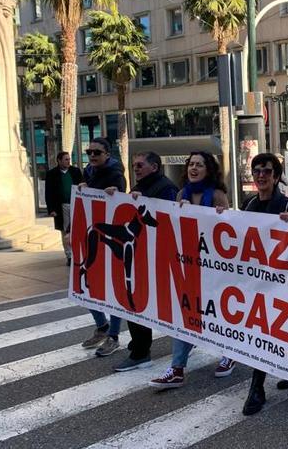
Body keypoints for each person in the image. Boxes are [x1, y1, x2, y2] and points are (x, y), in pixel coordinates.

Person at [148, 152, 238, 384]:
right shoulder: (180, 194)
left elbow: (225, 235)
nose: (194, 168)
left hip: (214, 270)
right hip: (188, 268)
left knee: (219, 315)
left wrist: (220, 217)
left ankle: (230, 354)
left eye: (199, 165)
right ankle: (176, 368)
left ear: (208, 170)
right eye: (191, 164)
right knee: (185, 315)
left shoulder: (218, 195)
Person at [239, 152, 288, 416]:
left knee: (286, 331)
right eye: (257, 171)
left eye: (266, 171)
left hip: (283, 283)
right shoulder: (249, 205)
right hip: (257, 282)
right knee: (259, 334)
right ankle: (257, 387)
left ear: (276, 176)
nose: (261, 176)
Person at [107, 151, 179, 372]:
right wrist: (113, 196)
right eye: (134, 165)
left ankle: (141, 351)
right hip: (140, 255)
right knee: (134, 303)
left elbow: (164, 220)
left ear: (154, 167)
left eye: (140, 165)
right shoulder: (141, 187)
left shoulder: (165, 188)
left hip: (153, 257)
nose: (135, 168)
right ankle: (139, 347)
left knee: (143, 303)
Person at [77, 137, 126, 356]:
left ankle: (113, 336)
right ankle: (102, 326)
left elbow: (121, 201)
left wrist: (113, 193)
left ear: (107, 154)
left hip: (111, 239)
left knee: (112, 291)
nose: (92, 156)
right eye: (89, 152)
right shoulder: (88, 172)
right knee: (85, 284)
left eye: (97, 152)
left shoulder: (115, 174)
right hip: (91, 236)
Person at [45, 152, 84, 267]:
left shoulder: (75, 171)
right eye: (66, 159)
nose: (68, 161)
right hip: (62, 206)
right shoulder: (52, 174)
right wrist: (51, 209)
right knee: (66, 231)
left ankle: (80, 253)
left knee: (78, 229)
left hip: (76, 204)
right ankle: (69, 255)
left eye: (69, 159)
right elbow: (49, 193)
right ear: (59, 160)